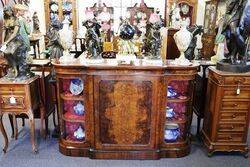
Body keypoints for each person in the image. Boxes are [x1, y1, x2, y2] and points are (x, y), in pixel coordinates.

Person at [1, 5, 33, 80]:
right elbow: (4, 31)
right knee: (6, 54)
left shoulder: (16, 19)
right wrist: (3, 42)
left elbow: (15, 33)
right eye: (6, 12)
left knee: (18, 56)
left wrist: (7, 41)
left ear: (11, 11)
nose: (7, 13)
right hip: (8, 39)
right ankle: (14, 69)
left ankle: (21, 72)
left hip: (16, 40)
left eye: (8, 11)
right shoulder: (6, 20)